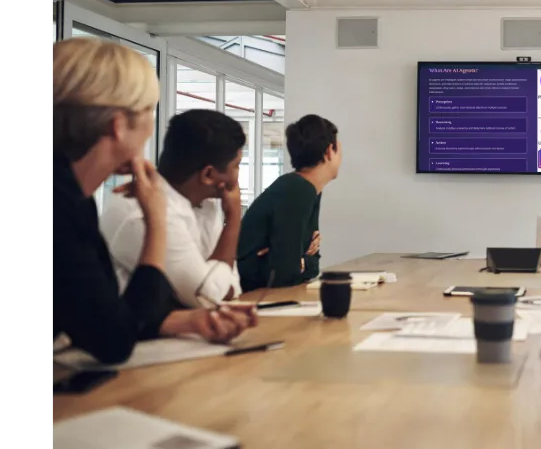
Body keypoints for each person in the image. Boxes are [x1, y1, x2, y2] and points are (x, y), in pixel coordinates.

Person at [52, 38, 256, 364]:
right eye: (148, 111)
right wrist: (156, 219)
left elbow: (105, 317)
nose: (151, 127)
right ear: (118, 126)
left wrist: (184, 320)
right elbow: (113, 342)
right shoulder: (64, 204)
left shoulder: (76, 197)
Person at [101, 109, 247, 308]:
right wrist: (233, 218)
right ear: (209, 175)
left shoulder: (207, 204)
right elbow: (207, 296)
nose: (237, 176)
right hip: (126, 335)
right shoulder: (142, 211)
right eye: (237, 165)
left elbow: (231, 285)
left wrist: (217, 283)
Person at [237, 114, 342, 291]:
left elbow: (312, 263)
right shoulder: (297, 189)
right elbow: (284, 274)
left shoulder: (310, 189)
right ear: (329, 151)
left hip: (265, 293)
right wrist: (297, 262)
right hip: (250, 298)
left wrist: (300, 262)